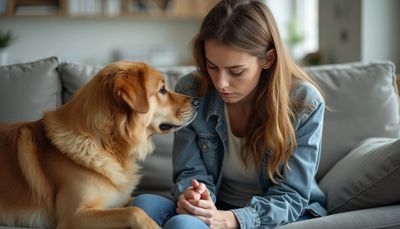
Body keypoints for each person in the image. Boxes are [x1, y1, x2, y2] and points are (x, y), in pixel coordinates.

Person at [131, 0, 327, 228]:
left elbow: (292, 196)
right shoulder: (192, 91)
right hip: (217, 208)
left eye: (236, 71)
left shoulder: (305, 103)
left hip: (277, 217)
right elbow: (189, 170)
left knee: (182, 225)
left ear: (268, 59)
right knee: (143, 206)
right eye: (212, 66)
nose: (221, 83)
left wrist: (233, 219)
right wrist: (196, 196)